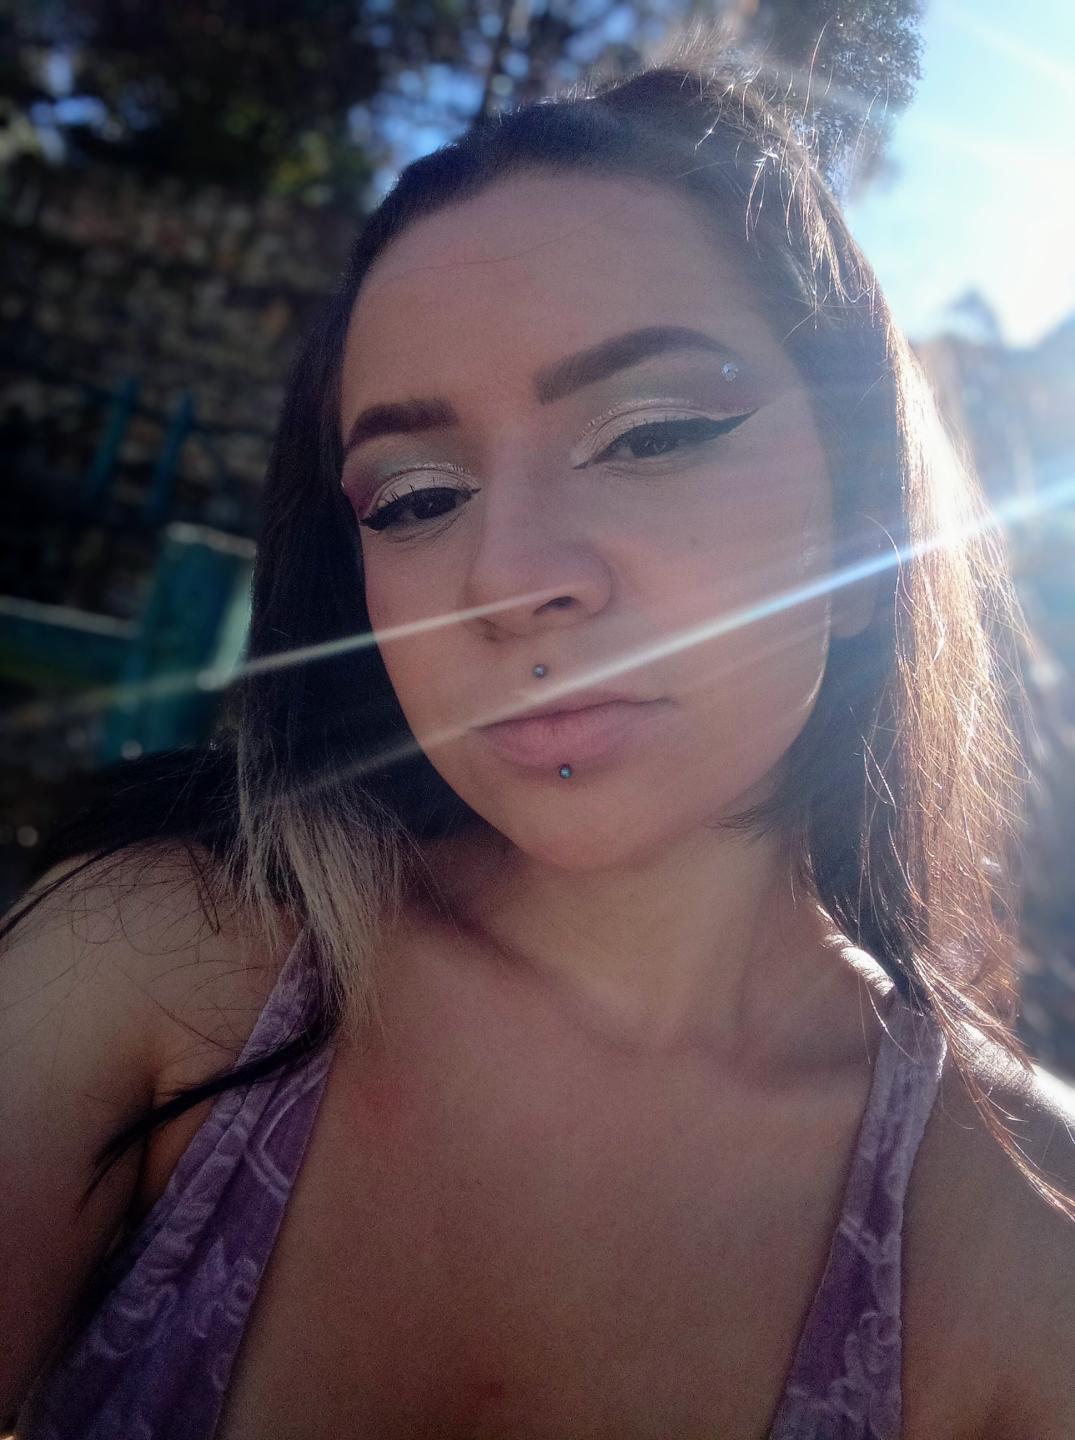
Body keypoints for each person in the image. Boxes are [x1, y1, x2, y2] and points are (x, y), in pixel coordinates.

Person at [2, 55, 1074, 1440]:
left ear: (868, 539)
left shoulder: (1024, 1224)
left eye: (654, 434)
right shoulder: (159, 963)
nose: (507, 578)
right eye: (416, 496)